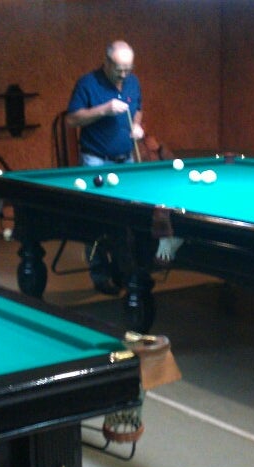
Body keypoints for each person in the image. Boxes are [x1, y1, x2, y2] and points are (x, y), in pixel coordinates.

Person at [66, 40, 144, 295]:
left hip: (126, 159)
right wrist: (104, 109)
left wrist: (137, 126)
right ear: (107, 62)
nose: (124, 75)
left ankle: (124, 271)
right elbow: (72, 120)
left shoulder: (133, 82)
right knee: (96, 219)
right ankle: (100, 274)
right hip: (96, 160)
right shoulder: (87, 83)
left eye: (128, 69)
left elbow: (138, 109)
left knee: (127, 218)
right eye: (119, 69)